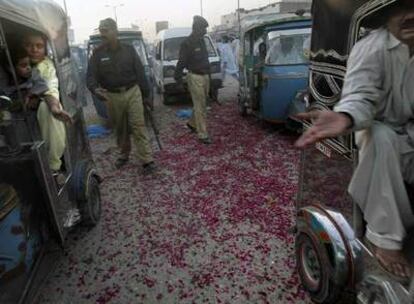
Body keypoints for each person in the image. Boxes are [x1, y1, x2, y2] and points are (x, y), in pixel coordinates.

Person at [295, 1, 414, 281]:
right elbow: (360, 95)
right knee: (381, 137)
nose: (410, 15)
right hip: (373, 130)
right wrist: (345, 117)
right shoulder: (372, 48)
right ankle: (384, 240)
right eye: (401, 8)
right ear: (387, 15)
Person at [87, 18, 156, 173]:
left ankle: (147, 160)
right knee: (121, 129)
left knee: (138, 126)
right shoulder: (97, 55)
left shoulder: (129, 49)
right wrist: (94, 88)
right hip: (112, 96)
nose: (103, 34)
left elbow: (140, 73)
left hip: (133, 92)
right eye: (101, 31)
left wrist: (146, 95)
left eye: (106, 30)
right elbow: (90, 76)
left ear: (115, 31)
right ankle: (124, 154)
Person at [22, 32, 72, 173]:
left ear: (45, 48)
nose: (34, 49)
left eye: (39, 46)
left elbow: (50, 88)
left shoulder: (47, 66)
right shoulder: (13, 63)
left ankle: (53, 167)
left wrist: (54, 107)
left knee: (47, 108)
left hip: (42, 110)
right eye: (29, 45)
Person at [175, 15, 212, 145]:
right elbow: (181, 62)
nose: (205, 31)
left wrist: (210, 77)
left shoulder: (202, 41)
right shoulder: (187, 43)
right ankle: (202, 134)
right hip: (195, 76)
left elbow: (206, 60)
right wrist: (178, 79)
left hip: (205, 76)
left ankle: (192, 124)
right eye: (204, 28)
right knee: (200, 105)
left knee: (201, 103)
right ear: (196, 28)